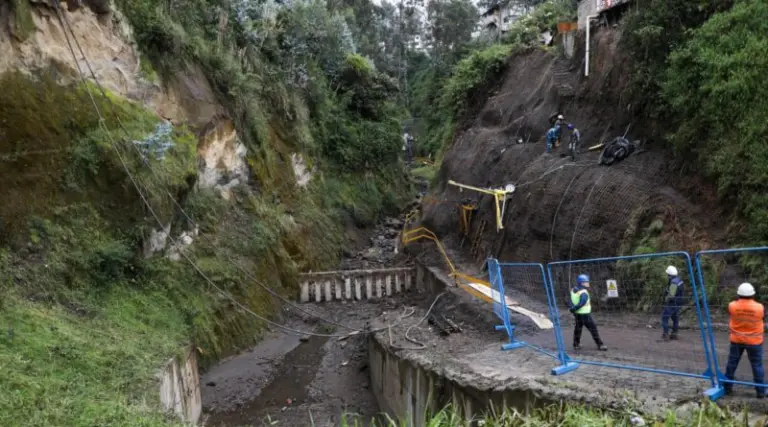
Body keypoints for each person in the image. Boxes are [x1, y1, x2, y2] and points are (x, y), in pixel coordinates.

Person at [724, 283, 766, 398]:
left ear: (738, 294)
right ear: (753, 294)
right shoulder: (759, 307)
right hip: (754, 341)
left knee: (732, 364)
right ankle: (760, 392)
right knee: (757, 365)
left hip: (736, 339)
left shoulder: (732, 305)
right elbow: (762, 317)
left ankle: (727, 388)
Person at [570, 274, 608, 351]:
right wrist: (574, 308)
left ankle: (576, 345)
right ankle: (600, 345)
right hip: (585, 315)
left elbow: (571, 300)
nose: (588, 283)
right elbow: (582, 303)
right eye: (586, 281)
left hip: (577, 314)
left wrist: (572, 308)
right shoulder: (584, 292)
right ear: (582, 283)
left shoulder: (573, 289)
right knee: (593, 329)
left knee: (578, 329)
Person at [661, 265, 684, 341]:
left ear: (669, 274)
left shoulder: (674, 282)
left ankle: (666, 335)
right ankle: (674, 334)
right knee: (675, 318)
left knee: (665, 318)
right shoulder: (679, 280)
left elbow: (671, 295)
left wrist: (666, 299)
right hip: (678, 303)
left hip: (672, 303)